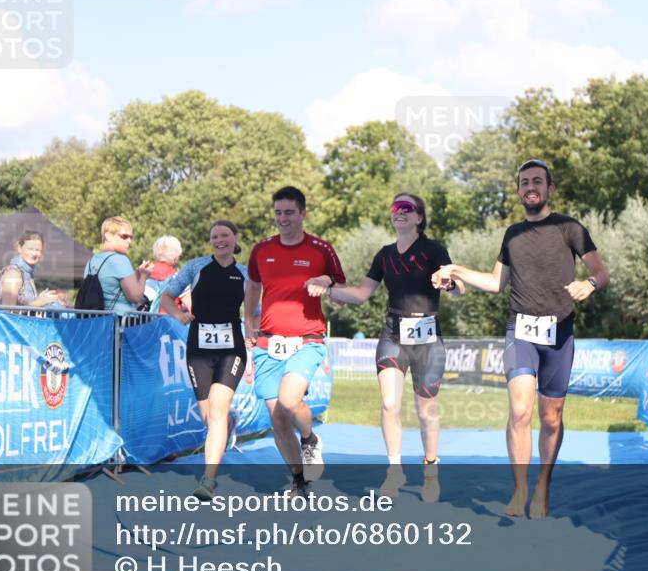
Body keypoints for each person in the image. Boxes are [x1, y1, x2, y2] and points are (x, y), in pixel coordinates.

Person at [432, 159, 610, 519]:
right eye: (524, 182)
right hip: (521, 330)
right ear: (518, 191)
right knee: (519, 410)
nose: (530, 187)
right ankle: (520, 489)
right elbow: (497, 283)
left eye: (537, 181)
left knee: (552, 417)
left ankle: (543, 483)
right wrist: (456, 270)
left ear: (549, 188)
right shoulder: (512, 234)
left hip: (559, 331)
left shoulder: (569, 228)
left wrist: (587, 284)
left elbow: (601, 272)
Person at [327, 193, 463, 500]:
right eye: (394, 208)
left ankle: (430, 470)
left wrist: (450, 282)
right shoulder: (385, 254)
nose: (398, 212)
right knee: (389, 404)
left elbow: (459, 288)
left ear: (419, 218)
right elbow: (362, 293)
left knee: (426, 411)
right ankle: (394, 471)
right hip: (393, 334)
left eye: (406, 208)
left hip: (427, 337)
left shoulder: (433, 249)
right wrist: (330, 290)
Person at [244, 186, 346, 497]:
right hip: (267, 344)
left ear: (302, 213)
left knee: (289, 401)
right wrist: (249, 323)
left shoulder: (321, 249)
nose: (282, 218)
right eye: (278, 213)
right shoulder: (261, 250)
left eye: (289, 212)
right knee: (277, 420)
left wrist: (325, 281)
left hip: (307, 339)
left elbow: (341, 288)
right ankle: (299, 481)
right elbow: (252, 287)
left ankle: (310, 440)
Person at [161, 221, 248, 501]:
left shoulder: (245, 274)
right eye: (214, 237)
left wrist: (255, 335)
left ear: (235, 239)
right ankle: (227, 426)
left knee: (218, 411)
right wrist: (179, 316)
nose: (219, 240)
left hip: (232, 349)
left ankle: (208, 480)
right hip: (198, 349)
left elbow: (258, 308)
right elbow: (166, 296)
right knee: (209, 417)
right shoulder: (196, 267)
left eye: (225, 235)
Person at [81, 217, 153, 314]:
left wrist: (137, 274)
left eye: (131, 237)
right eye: (124, 237)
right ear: (108, 236)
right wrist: (144, 276)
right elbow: (135, 297)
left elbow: (111, 287)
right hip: (121, 322)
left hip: (96, 321)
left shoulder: (92, 261)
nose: (129, 241)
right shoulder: (120, 260)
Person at [0, 230, 64, 307]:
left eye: (38, 250)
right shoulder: (13, 273)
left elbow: (27, 305)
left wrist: (42, 300)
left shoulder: (27, 274)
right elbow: (8, 310)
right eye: (30, 249)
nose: (34, 254)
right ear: (19, 248)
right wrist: (38, 302)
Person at [146, 235, 190, 314]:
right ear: (175, 257)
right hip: (169, 323)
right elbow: (191, 306)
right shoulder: (177, 278)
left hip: (147, 323)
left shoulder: (145, 275)